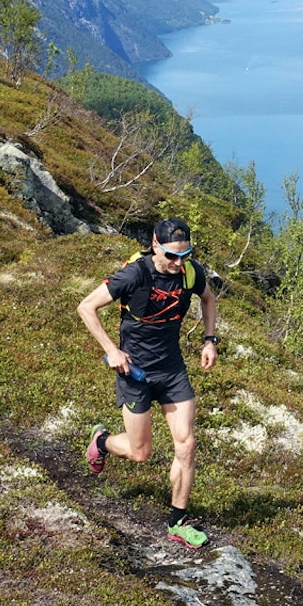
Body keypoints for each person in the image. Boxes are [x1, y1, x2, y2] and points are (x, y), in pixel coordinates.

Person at [77, 218, 219, 548]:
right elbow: (86, 307)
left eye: (185, 255)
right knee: (140, 452)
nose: (179, 262)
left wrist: (210, 340)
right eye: (172, 255)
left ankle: (178, 521)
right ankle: (102, 441)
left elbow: (209, 299)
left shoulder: (191, 272)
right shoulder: (135, 274)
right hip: (135, 372)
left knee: (186, 444)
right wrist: (111, 350)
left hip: (171, 370)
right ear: (156, 245)